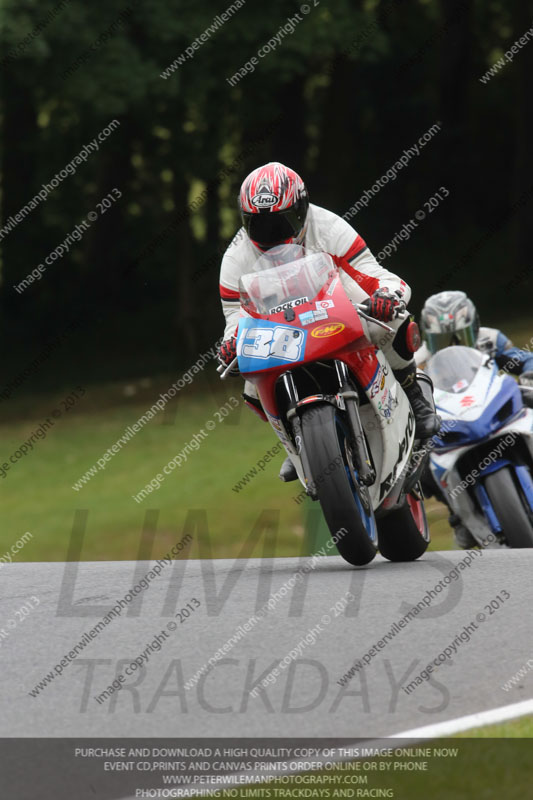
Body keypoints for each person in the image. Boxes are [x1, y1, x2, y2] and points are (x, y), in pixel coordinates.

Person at [218, 162, 440, 482]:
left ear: (302, 208)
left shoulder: (329, 227)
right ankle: (298, 442)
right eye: (261, 226)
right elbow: (235, 318)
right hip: (279, 328)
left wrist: (386, 296)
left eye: (282, 222)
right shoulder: (234, 258)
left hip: (334, 307)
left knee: (394, 323)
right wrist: (230, 344)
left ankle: (414, 393)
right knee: (251, 384)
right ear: (245, 222)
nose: (275, 234)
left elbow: (372, 273)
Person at [417, 289, 533, 547]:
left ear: (474, 326)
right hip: (449, 418)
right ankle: (458, 515)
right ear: (429, 337)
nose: (454, 342)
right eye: (444, 338)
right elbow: (406, 395)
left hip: (492, 404)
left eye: (460, 334)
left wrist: (529, 373)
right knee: (420, 463)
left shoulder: (490, 339)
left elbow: (523, 360)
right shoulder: (418, 361)